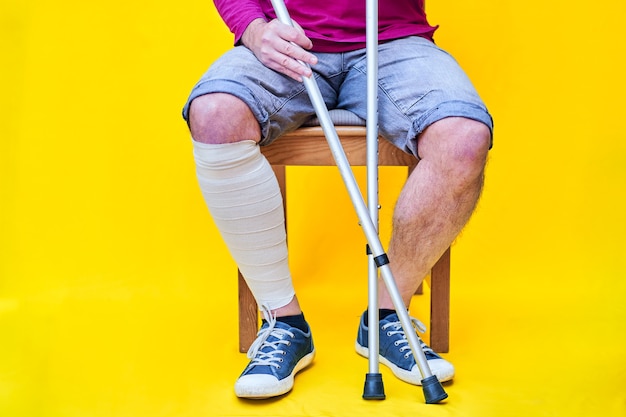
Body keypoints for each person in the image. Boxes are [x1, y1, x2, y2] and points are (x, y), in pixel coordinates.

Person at [182, 0, 493, 399]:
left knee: (463, 136)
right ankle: (284, 323)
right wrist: (255, 30)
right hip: (287, 37)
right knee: (214, 113)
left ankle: (387, 315)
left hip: (393, 42)